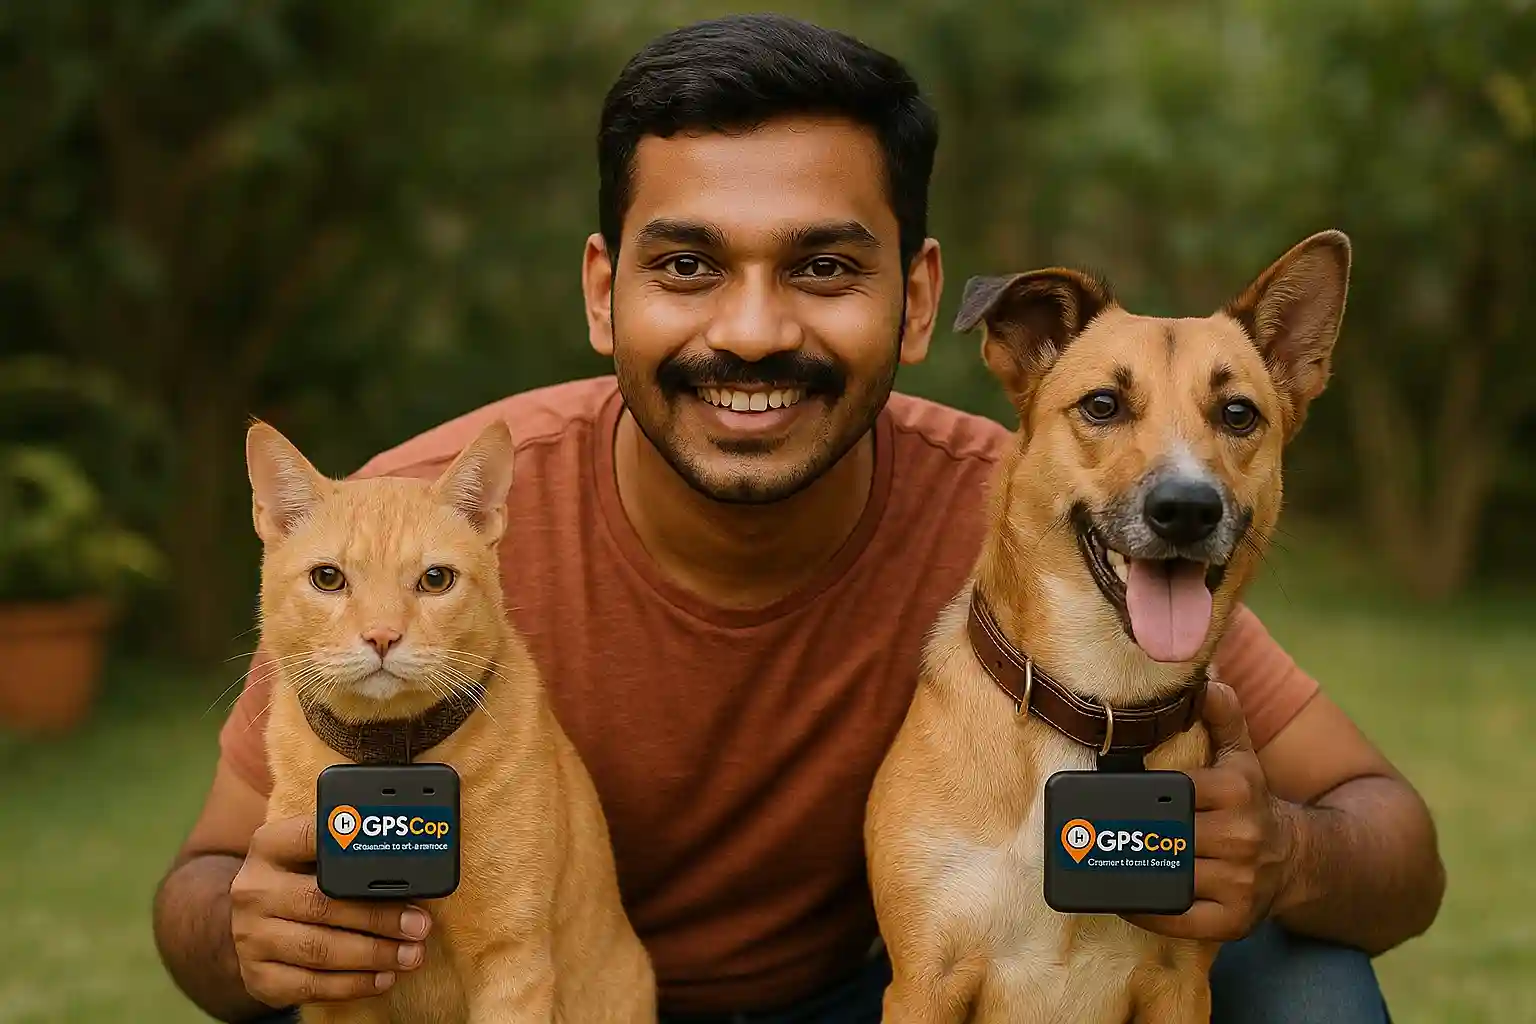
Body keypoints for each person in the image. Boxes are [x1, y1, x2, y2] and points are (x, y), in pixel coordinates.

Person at [151, 14, 1444, 1024]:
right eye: (689, 264)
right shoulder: (414, 523)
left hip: (883, 993)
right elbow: (198, 894)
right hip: (557, 989)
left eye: (824, 267)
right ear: (605, 295)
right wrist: (251, 931)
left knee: (1300, 979)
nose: (756, 329)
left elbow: (1394, 841)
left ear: (920, 296)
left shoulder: (1044, 514)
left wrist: (1281, 857)